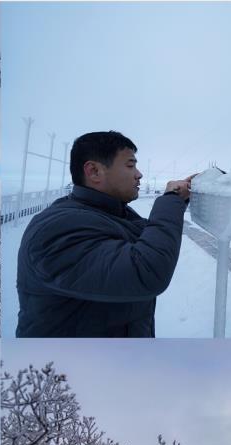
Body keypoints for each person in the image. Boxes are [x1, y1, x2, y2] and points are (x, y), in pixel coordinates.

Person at [16, 130, 192, 337]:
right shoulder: (56, 229)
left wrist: (181, 193)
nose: (139, 174)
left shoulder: (109, 213)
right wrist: (171, 199)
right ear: (94, 172)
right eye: (130, 165)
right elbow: (146, 270)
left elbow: (149, 238)